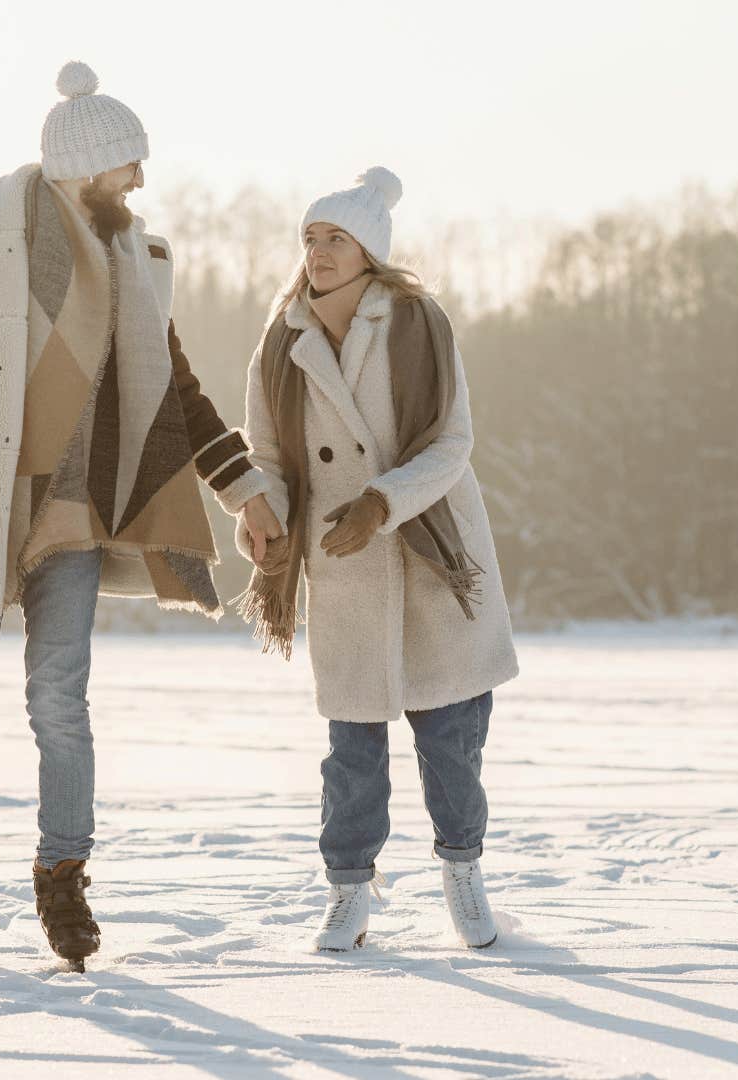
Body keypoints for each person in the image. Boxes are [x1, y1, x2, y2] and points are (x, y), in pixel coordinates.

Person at [0, 61, 276, 966]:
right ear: (83, 169)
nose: (139, 183)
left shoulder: (137, 263)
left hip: (75, 519)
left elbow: (176, 391)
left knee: (60, 706)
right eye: (126, 167)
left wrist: (245, 489)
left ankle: (62, 878)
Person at [231, 167, 520, 951]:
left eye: (335, 240)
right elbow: (267, 455)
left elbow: (452, 442)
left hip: (428, 548)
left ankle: (463, 872)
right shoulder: (282, 337)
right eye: (310, 239)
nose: (317, 253)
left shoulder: (420, 322)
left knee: (450, 740)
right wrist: (265, 519)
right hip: (342, 563)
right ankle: (350, 894)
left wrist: (381, 503)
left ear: (370, 252)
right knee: (351, 752)